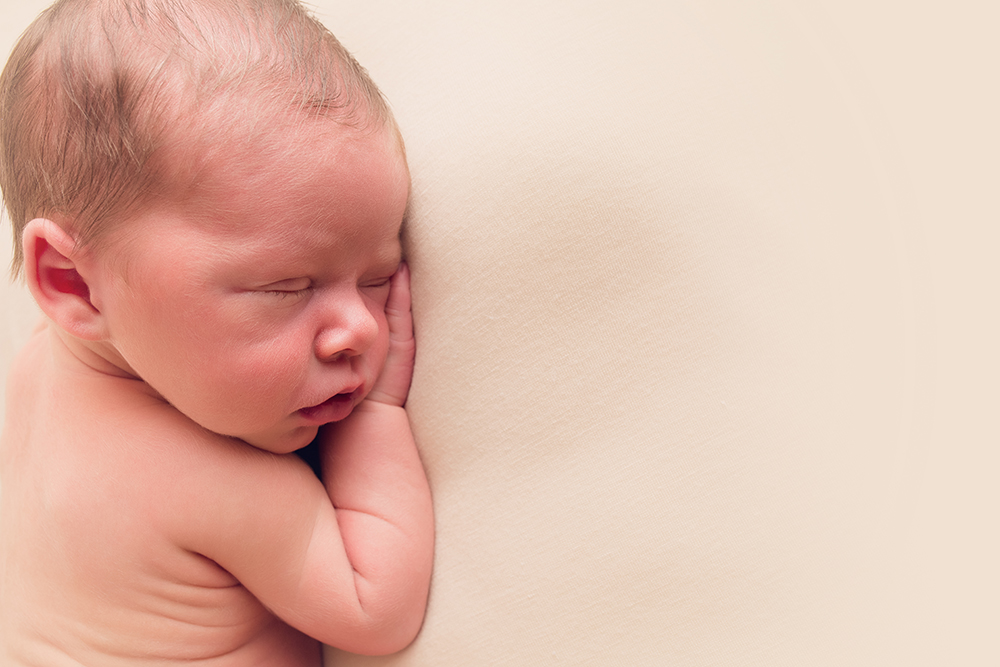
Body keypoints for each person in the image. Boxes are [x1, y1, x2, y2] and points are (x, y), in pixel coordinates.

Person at [0, 0, 434, 664]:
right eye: (286, 287)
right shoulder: (209, 480)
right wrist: (375, 416)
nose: (358, 328)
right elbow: (375, 609)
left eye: (377, 275)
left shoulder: (40, 369)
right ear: (74, 284)